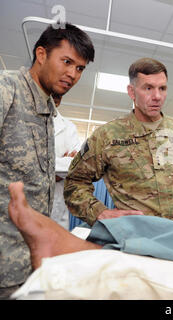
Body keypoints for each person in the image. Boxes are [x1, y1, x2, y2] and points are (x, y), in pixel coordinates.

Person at [64, 58, 173, 232]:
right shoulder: (107, 136)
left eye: (162, 88)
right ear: (132, 91)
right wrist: (100, 212)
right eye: (148, 88)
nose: (157, 96)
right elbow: (74, 183)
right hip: (136, 236)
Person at [0, 22, 94, 299]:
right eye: (66, 62)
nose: (72, 74)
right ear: (41, 54)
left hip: (27, 262)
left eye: (79, 68)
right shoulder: (9, 89)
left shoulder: (47, 112)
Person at [51, 93, 81, 230]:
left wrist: (38, 168)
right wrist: (54, 174)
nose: (56, 96)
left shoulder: (69, 128)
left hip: (55, 212)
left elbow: (74, 165)